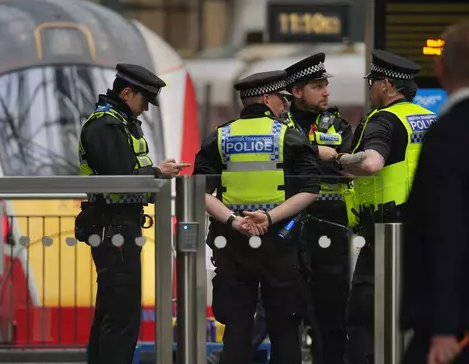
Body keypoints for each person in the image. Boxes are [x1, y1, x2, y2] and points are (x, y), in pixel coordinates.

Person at [194, 69, 321, 364]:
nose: (285, 105)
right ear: (266, 98)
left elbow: (198, 190)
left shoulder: (219, 137)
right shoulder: (288, 137)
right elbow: (311, 189)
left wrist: (233, 221)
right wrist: (269, 217)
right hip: (280, 241)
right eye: (281, 99)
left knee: (237, 328)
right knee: (285, 329)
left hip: (233, 242)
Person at [76, 63, 189, 364]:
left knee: (112, 310)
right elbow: (120, 175)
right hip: (112, 227)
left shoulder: (118, 122)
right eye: (143, 100)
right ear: (127, 93)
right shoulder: (105, 125)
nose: (145, 109)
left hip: (118, 227)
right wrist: (157, 172)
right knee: (121, 315)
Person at [333, 49, 437, 364]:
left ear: (387, 85)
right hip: (428, 232)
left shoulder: (384, 120)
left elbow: (371, 162)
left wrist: (338, 159)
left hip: (386, 235)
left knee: (365, 316)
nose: (370, 88)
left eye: (373, 82)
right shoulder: (429, 118)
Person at [401, 21, 469, 364]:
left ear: (440, 67)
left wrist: (444, 326)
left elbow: (446, 231)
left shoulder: (449, 134)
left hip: (454, 323)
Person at [284, 53, 353, 364]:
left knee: (332, 314)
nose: (326, 91)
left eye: (326, 85)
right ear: (297, 91)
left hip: (331, 226)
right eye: (317, 85)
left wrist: (308, 159)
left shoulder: (339, 125)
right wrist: (316, 153)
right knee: (284, 312)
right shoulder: (278, 126)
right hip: (287, 225)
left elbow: (349, 167)